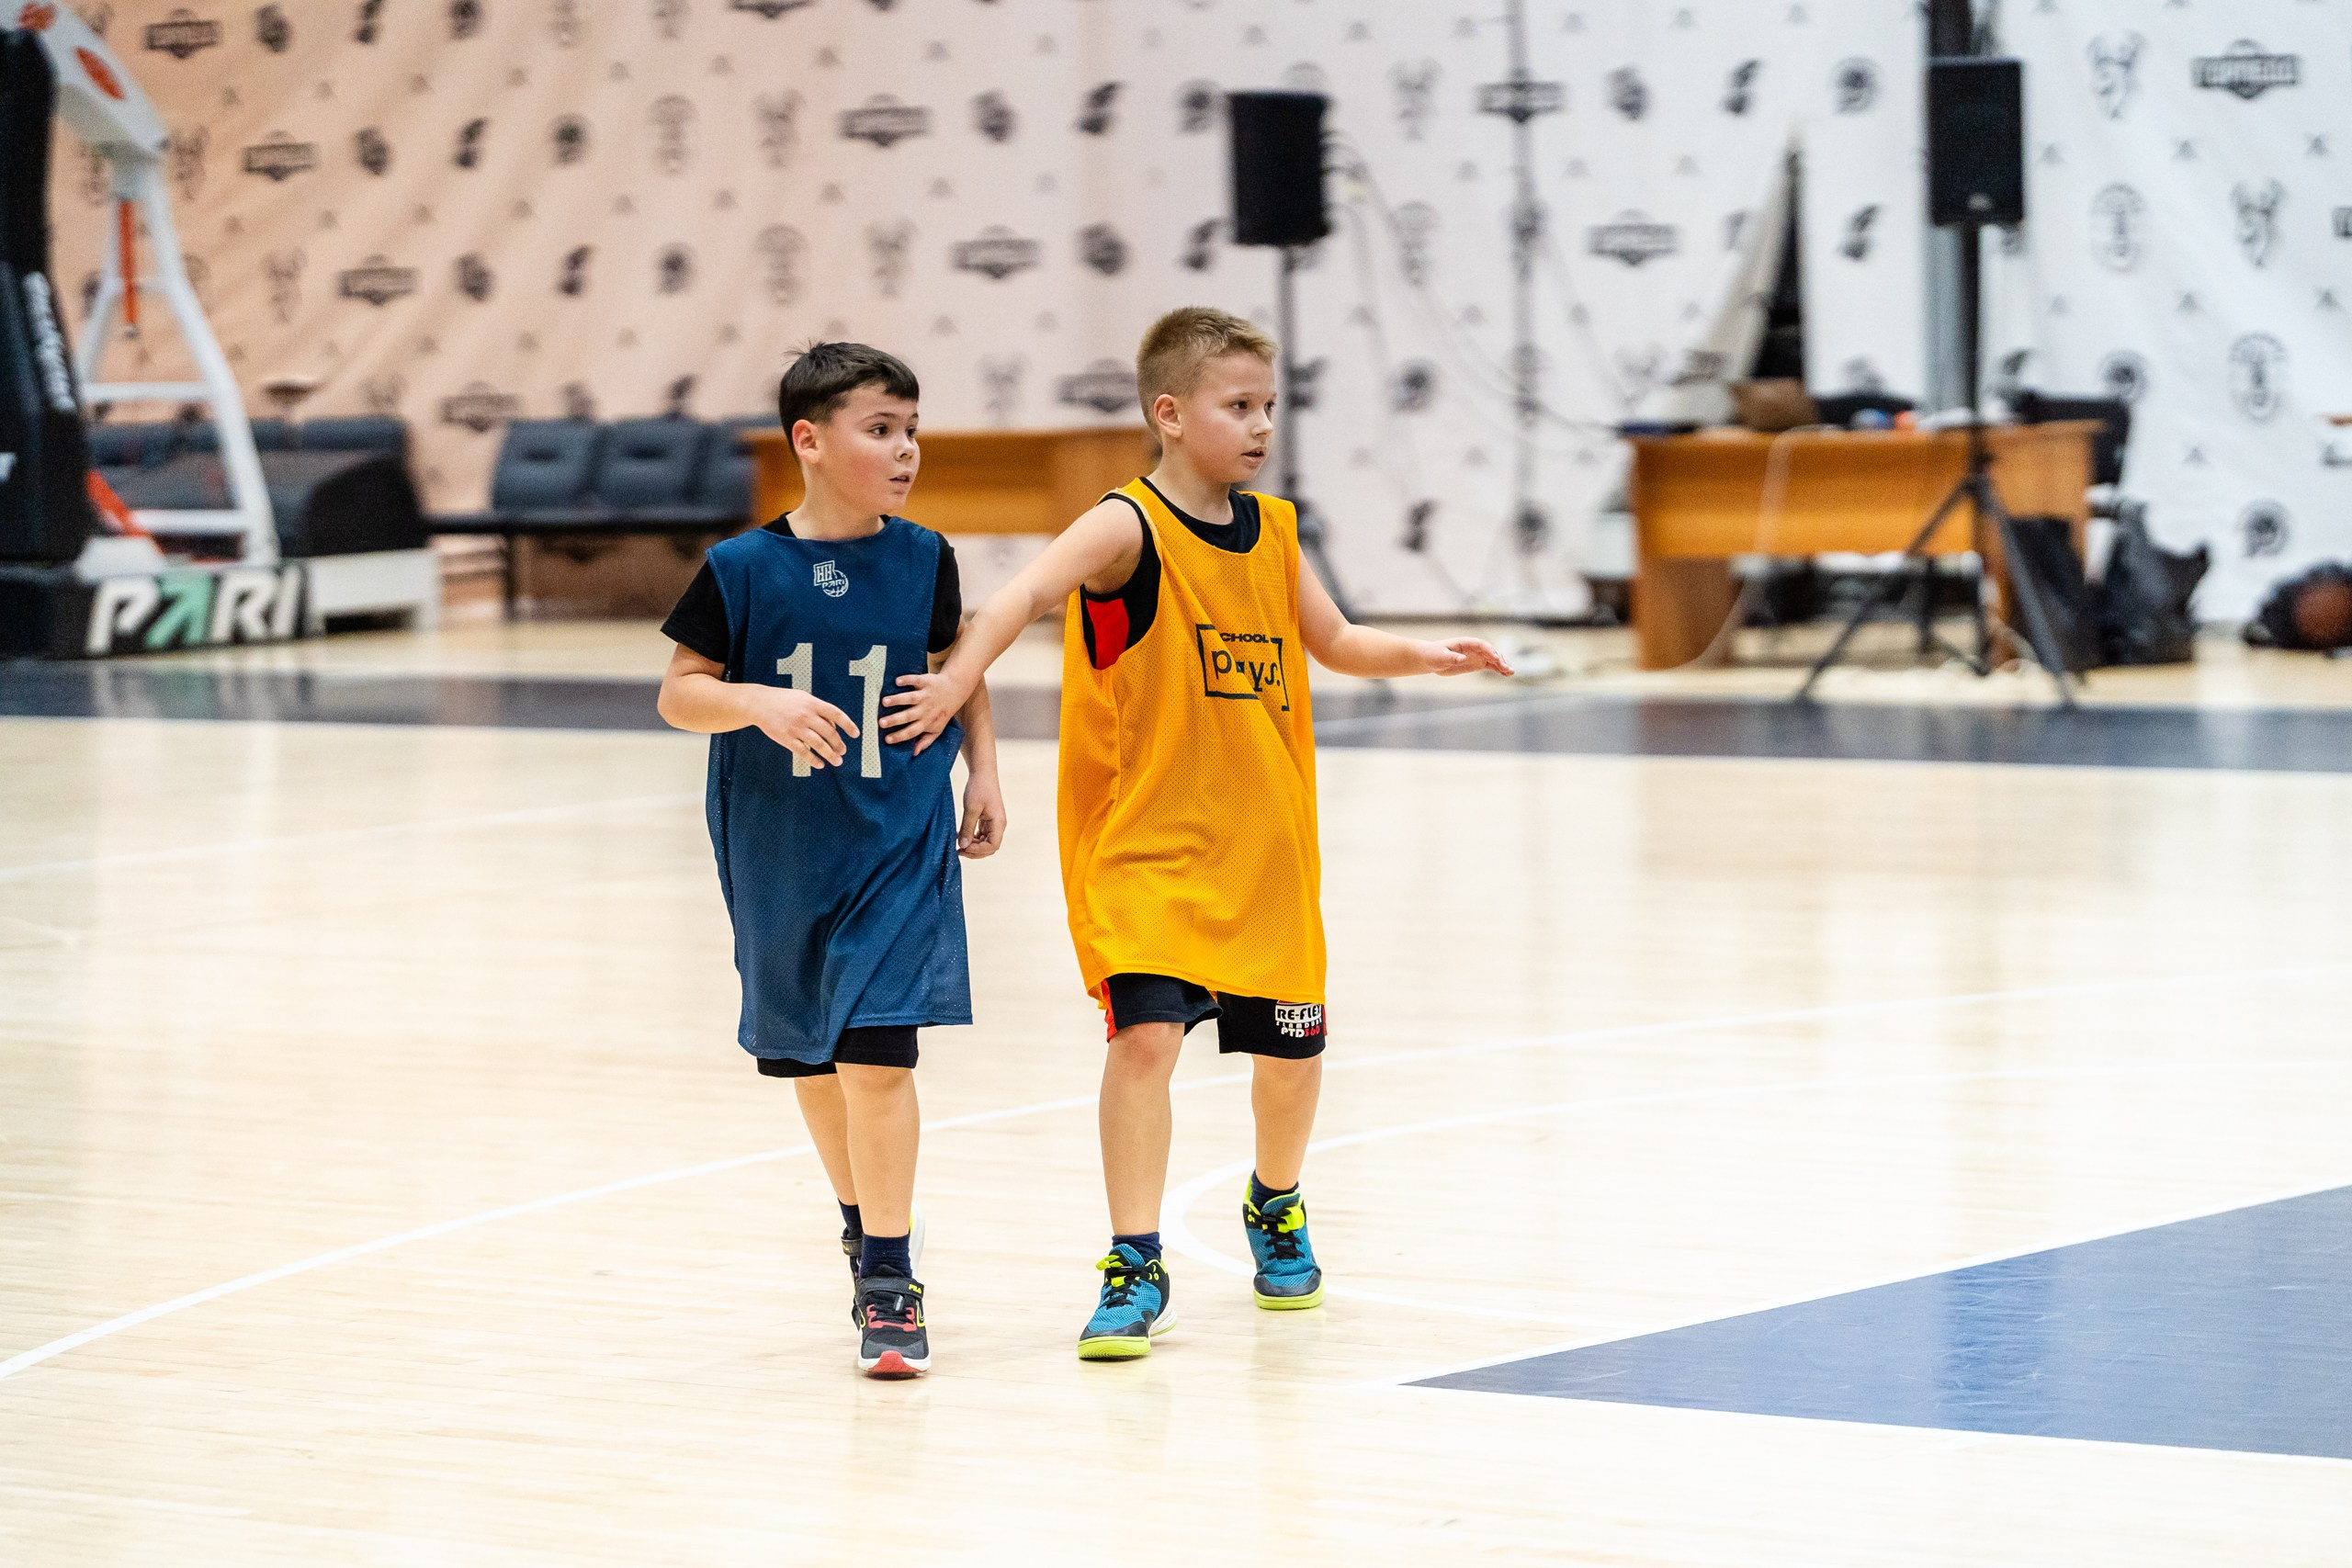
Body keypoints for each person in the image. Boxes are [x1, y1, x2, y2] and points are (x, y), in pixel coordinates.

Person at [880, 307, 1510, 1359]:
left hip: (1265, 849)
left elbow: (1334, 639)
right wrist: (952, 685)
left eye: (1269, 405)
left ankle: (1275, 1200)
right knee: (1144, 1040)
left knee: (1291, 1056)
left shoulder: (1275, 530)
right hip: (1148, 848)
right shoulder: (1125, 526)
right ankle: (1134, 1258)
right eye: (1238, 406)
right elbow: (1022, 594)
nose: (1260, 425)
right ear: (1169, 414)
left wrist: (1426, 654)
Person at [657, 342, 1004, 1379]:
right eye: (880, 429)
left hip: (897, 837)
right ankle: (862, 1225)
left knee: (878, 1054)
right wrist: (755, 702)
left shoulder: (926, 558)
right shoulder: (740, 569)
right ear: (809, 441)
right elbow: (679, 694)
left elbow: (956, 669)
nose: (905, 451)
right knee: (811, 1055)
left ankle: (890, 1281)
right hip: (781, 847)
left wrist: (984, 771)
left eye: (912, 430)